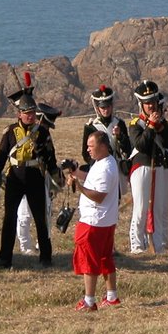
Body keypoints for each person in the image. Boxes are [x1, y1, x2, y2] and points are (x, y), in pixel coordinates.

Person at [0, 86, 58, 268]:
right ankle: (5, 258)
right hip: (14, 178)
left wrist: (55, 177)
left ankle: (46, 257)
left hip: (34, 177)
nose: (30, 116)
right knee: (9, 218)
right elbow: (1, 156)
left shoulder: (43, 132)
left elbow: (50, 157)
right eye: (27, 113)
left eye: (32, 113)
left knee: (40, 219)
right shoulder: (10, 132)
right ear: (19, 114)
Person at [65, 131, 120, 312]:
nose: (87, 149)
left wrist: (79, 187)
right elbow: (92, 180)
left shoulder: (106, 168)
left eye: (91, 146)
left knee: (89, 261)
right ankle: (111, 296)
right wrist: (76, 173)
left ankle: (89, 301)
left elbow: (99, 196)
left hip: (94, 221)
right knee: (105, 258)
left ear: (103, 146)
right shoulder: (104, 162)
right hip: (105, 220)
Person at [128, 80, 168, 253]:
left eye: (153, 102)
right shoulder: (135, 124)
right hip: (142, 167)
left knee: (159, 209)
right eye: (147, 103)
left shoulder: (164, 125)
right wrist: (151, 126)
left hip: (160, 168)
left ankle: (158, 244)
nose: (151, 106)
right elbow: (141, 145)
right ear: (142, 105)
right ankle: (137, 244)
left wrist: (159, 126)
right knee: (140, 209)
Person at [16, 103, 60, 255]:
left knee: (45, 215)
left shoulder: (44, 135)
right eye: (45, 124)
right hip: (24, 176)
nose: (46, 128)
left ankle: (41, 245)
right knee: (24, 214)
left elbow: (51, 158)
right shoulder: (22, 133)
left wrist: (56, 178)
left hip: (42, 178)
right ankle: (25, 246)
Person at [83, 86, 132, 191]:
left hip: (116, 168)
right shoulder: (90, 127)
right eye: (103, 107)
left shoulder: (119, 123)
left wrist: (120, 136)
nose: (106, 110)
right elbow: (86, 154)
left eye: (108, 106)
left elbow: (127, 148)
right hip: (99, 168)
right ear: (97, 108)